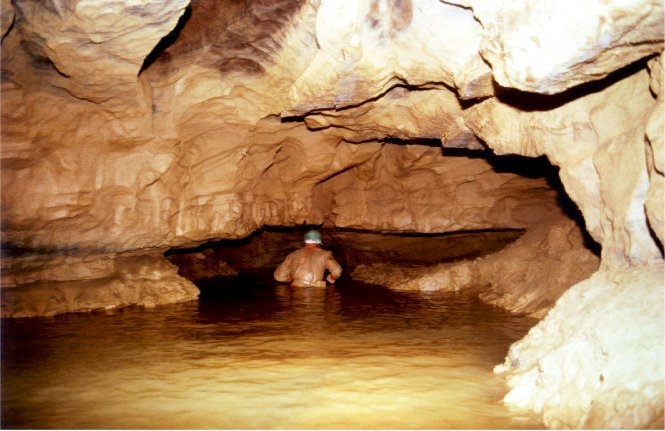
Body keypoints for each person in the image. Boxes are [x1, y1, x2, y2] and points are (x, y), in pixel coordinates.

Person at [274, 230, 342, 287]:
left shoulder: (293, 255)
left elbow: (279, 276)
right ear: (319, 242)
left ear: (305, 241)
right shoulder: (325, 254)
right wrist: (331, 278)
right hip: (316, 290)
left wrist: (291, 278)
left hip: (296, 288)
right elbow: (337, 271)